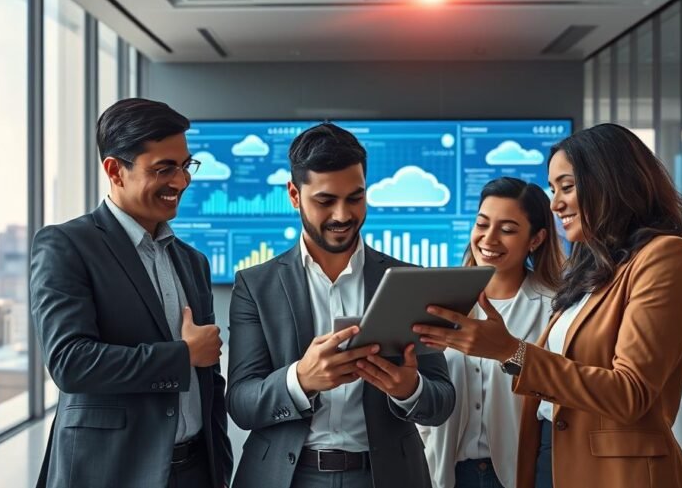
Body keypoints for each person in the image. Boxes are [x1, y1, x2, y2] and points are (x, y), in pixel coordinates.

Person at [416, 123, 682, 488]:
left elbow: (631, 392)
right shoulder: (596, 272)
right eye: (553, 190)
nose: (555, 204)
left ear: (610, 182)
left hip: (614, 472)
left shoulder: (667, 257)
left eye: (567, 187)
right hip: (549, 457)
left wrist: (510, 351)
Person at [226, 123, 455, 488]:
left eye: (355, 197)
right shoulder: (255, 286)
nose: (343, 215)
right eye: (325, 201)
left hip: (385, 477)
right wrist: (301, 379)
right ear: (294, 195)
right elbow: (240, 403)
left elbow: (441, 402)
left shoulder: (408, 280)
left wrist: (408, 388)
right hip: (286, 477)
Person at [30, 98, 232, 488]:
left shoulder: (192, 262)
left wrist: (218, 468)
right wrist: (182, 356)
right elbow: (70, 363)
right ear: (114, 170)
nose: (181, 181)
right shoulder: (66, 245)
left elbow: (210, 383)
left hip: (194, 472)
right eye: (164, 169)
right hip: (110, 473)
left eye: (185, 166)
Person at [420, 177, 564, 488]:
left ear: (536, 239)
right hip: (446, 472)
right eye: (482, 224)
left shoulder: (555, 308)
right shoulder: (437, 301)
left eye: (508, 230)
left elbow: (557, 396)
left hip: (519, 473)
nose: (489, 238)